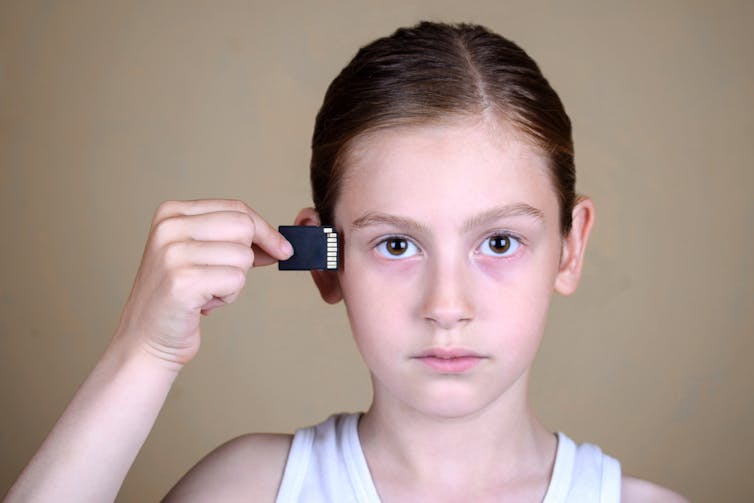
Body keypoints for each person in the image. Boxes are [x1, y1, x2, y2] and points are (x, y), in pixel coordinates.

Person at [5, 21, 687, 502]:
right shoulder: (245, 490)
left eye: (499, 242)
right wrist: (143, 352)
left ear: (570, 248)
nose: (446, 305)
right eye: (396, 243)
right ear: (325, 259)